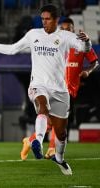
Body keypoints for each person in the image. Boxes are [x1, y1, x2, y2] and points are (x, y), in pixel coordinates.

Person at [0, 4, 92, 175]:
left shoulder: (66, 36)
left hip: (60, 89)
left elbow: (84, 49)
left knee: (61, 133)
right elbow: (12, 49)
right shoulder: (33, 35)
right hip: (38, 85)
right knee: (42, 107)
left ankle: (59, 157)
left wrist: (86, 41)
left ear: (56, 19)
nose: (44, 22)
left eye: (48, 19)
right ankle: (38, 142)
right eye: (42, 19)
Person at [20, 17, 99, 161]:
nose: (65, 31)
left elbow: (95, 61)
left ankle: (30, 141)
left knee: (52, 123)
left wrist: (88, 71)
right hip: (55, 88)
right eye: (62, 29)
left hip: (71, 89)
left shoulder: (80, 46)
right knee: (56, 121)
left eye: (68, 29)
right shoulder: (54, 46)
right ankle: (51, 148)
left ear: (73, 30)